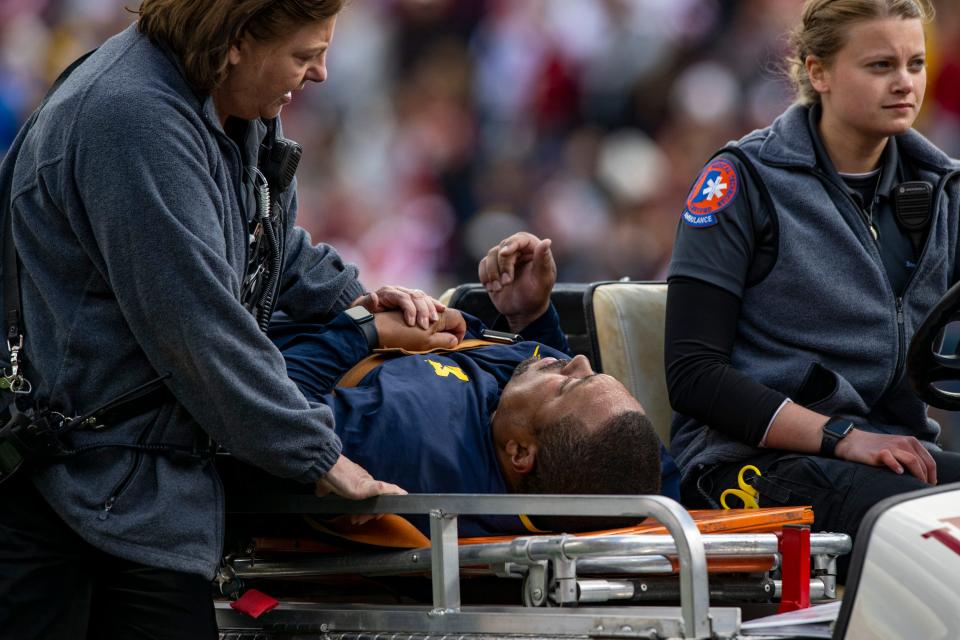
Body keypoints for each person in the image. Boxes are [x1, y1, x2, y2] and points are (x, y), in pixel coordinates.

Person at [0, 2, 439, 638]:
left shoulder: (216, 98)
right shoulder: (134, 117)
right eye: (303, 53)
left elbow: (256, 236)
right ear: (235, 40)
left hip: (130, 499)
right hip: (77, 506)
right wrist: (317, 456)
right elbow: (197, 323)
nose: (320, 73)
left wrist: (354, 296)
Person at [665, 0, 960, 561]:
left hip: (895, 452)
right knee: (935, 534)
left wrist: (869, 443)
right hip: (749, 465)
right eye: (880, 66)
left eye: (915, 65)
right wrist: (842, 438)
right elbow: (694, 374)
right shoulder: (740, 181)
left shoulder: (945, 188)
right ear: (817, 71)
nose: (904, 84)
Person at [270, 232, 670, 537]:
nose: (576, 361)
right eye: (592, 373)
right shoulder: (535, 434)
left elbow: (267, 401)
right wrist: (530, 315)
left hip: (245, 332)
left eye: (567, 385)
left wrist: (365, 329)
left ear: (520, 454)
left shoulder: (409, 440)